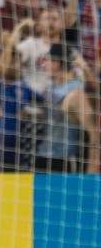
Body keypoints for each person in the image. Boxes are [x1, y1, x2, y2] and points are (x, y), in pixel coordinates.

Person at [36, 42, 99, 173]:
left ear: (56, 64)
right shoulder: (51, 87)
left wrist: (91, 173)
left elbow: (95, 134)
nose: (44, 64)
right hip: (45, 156)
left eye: (47, 61)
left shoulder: (76, 95)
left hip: (64, 161)